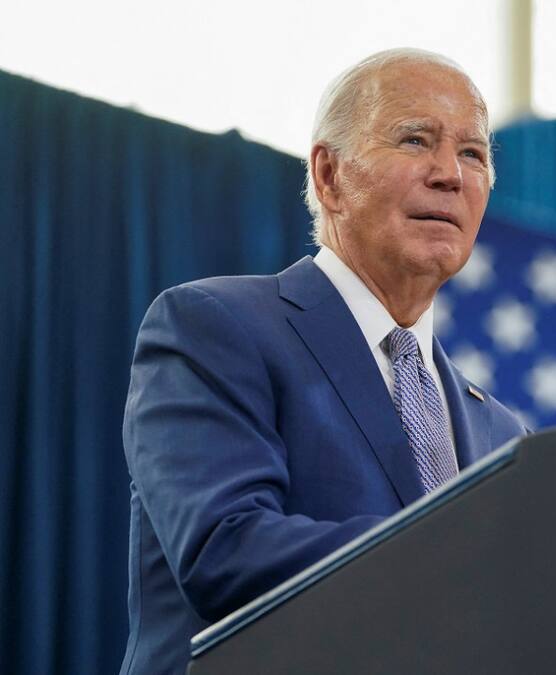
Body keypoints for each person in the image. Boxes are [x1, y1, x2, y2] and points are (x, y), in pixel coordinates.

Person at [119, 49, 527, 675]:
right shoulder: (216, 326)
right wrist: (470, 557)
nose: (450, 173)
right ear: (329, 175)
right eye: (415, 140)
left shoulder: (502, 431)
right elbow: (226, 549)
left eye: (473, 153)